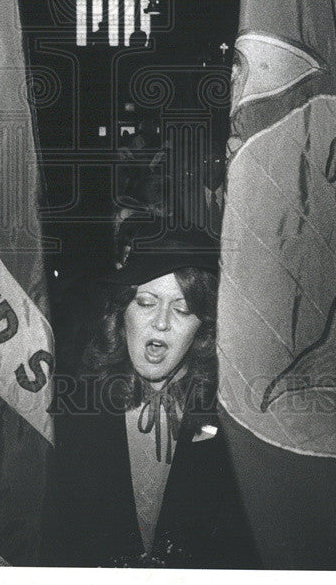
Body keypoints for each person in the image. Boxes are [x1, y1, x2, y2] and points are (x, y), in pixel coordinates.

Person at [50, 229, 259, 567]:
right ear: (123, 311)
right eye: (146, 302)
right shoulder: (71, 408)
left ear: (203, 328)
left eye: (183, 309)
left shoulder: (233, 424)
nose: (160, 323)